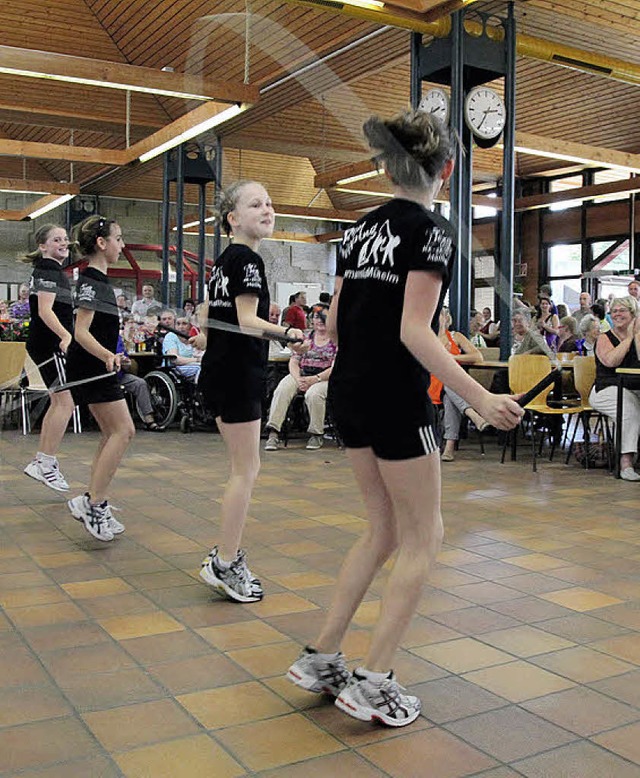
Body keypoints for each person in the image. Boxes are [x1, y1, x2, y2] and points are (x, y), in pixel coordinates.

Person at [286, 110, 523, 728]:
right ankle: (374, 679)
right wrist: (478, 398)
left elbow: (334, 324)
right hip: (395, 397)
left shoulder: (359, 230)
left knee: (381, 530)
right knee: (424, 536)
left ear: (386, 168)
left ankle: (322, 657)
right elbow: (414, 328)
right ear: (447, 168)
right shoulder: (434, 231)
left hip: (351, 394)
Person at [197, 180, 304, 603]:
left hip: (221, 371)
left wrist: (205, 337)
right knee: (246, 471)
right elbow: (246, 319)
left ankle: (225, 557)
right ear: (233, 218)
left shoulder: (224, 261)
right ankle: (225, 562)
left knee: (243, 468)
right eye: (255, 204)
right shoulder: (248, 261)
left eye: (270, 202)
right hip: (238, 374)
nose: (267, 209)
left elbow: (214, 315)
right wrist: (287, 332)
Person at [65, 216, 135, 541]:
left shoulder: (99, 282)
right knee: (124, 431)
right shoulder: (91, 281)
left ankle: (93, 499)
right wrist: (107, 354)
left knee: (111, 433)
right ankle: (93, 502)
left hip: (98, 365)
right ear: (102, 243)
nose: (122, 245)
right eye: (118, 239)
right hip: (92, 368)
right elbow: (80, 332)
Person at [22, 224, 75, 492]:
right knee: (65, 404)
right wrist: (66, 336)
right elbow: (45, 311)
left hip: (47, 344)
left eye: (65, 239)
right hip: (49, 345)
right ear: (43, 246)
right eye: (56, 240)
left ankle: (41, 462)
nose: (63, 243)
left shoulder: (52, 269)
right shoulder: (48, 269)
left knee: (59, 403)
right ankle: (46, 463)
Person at [264, 308, 336, 451]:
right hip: (302, 373)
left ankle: (316, 434)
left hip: (325, 378)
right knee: (282, 389)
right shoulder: (305, 337)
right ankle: (273, 432)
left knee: (314, 394)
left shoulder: (336, 340)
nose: (320, 320)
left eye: (324, 317)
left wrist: (315, 379)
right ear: (311, 320)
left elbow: (336, 367)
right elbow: (294, 361)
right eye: (317, 317)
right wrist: (298, 380)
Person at [590, 296, 640, 481]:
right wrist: (630, 337)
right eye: (614, 311)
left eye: (622, 310)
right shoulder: (605, 337)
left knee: (632, 403)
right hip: (606, 389)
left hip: (633, 388)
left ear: (633, 314)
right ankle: (625, 464)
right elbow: (611, 361)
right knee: (629, 410)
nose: (617, 314)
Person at [429, 308, 488, 463]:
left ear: (446, 317)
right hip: (431, 384)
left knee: (450, 392)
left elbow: (477, 357)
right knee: (451, 386)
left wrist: (452, 357)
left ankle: (449, 447)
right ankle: (472, 415)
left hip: (450, 384)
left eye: (441, 314)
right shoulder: (427, 337)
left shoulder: (456, 337)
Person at [115, 335, 164, 431]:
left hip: (119, 375)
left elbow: (127, 362)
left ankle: (149, 420)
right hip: (102, 375)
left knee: (140, 383)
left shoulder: (118, 338)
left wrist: (126, 363)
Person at [162, 315, 202, 381]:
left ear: (190, 326)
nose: (181, 327)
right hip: (174, 368)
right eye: (178, 324)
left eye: (184, 324)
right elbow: (175, 360)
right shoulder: (170, 336)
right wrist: (197, 360)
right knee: (202, 369)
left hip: (192, 365)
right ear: (175, 326)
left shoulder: (194, 337)